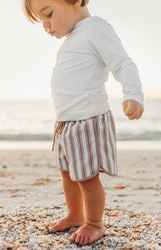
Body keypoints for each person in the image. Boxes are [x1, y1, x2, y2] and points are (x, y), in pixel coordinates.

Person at [23, 0, 144, 245]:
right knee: (68, 173)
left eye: (48, 14)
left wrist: (133, 95)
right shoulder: (76, 35)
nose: (46, 25)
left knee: (86, 177)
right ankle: (75, 214)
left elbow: (123, 63)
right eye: (41, 20)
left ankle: (95, 223)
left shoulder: (96, 28)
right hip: (66, 123)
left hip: (86, 120)